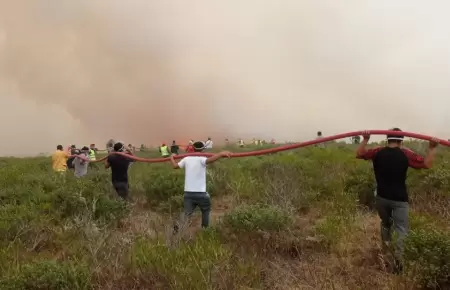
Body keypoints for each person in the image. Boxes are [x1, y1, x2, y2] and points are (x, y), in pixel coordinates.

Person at [356, 128, 438, 273]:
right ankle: (398, 263)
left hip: (381, 198)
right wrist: (431, 148)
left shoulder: (377, 151)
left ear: (388, 139)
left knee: (386, 224)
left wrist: (365, 139)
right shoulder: (406, 154)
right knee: (401, 230)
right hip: (400, 200)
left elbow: (359, 154)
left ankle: (386, 254)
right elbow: (426, 164)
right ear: (401, 140)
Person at [169, 141, 231, 232]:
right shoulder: (202, 158)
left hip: (188, 193)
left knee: (186, 213)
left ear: (193, 148)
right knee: (205, 211)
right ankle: (205, 231)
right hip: (201, 193)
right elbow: (211, 160)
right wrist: (221, 154)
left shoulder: (186, 159)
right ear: (202, 149)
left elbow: (175, 166)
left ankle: (177, 228)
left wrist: (171, 157)